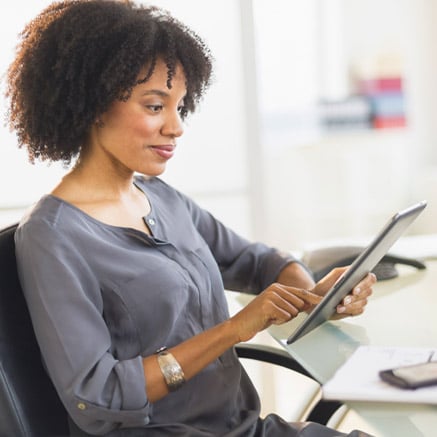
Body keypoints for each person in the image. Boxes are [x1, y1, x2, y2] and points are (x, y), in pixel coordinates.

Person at [6, 1, 376, 436]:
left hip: (239, 427)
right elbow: (97, 396)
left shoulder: (162, 199)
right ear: (95, 105)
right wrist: (234, 330)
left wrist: (315, 298)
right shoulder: (52, 239)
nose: (176, 127)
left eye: (179, 107)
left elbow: (256, 262)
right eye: (154, 106)